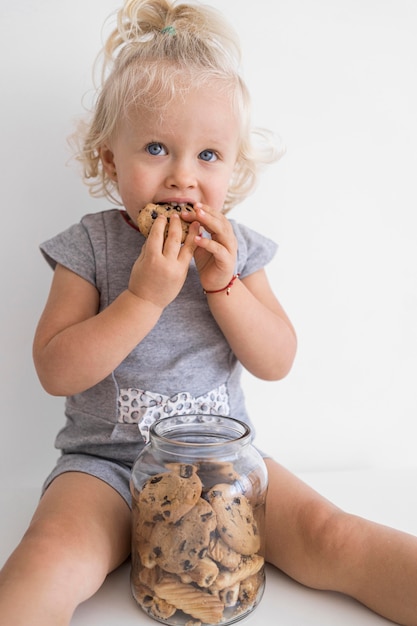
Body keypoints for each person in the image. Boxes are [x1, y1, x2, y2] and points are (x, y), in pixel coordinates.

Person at [0, 1, 416, 624]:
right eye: (157, 148)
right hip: (107, 471)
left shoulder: (237, 253)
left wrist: (225, 289)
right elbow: (57, 370)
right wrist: (143, 298)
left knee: (334, 535)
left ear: (234, 170)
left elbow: (277, 360)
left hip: (224, 467)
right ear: (110, 159)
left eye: (208, 156)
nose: (182, 178)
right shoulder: (90, 246)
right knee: (52, 556)